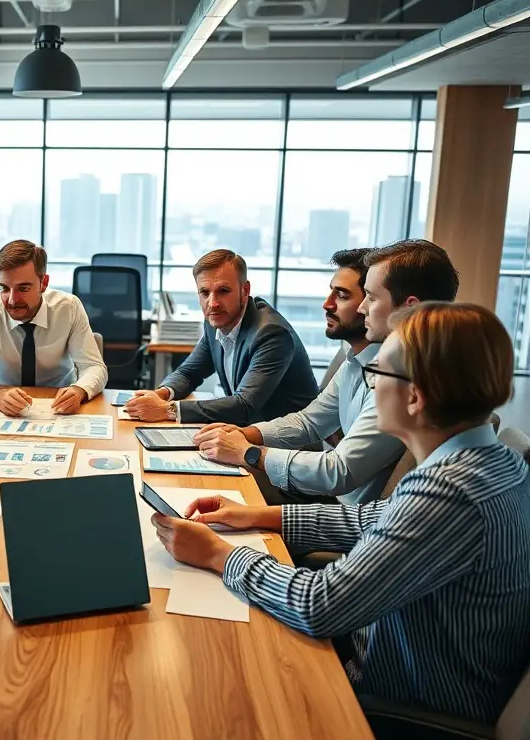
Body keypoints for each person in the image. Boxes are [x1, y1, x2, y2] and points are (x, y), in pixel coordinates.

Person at [151, 301, 530, 726]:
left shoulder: (448, 490)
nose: (368, 385)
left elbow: (317, 605)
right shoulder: (490, 460)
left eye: (377, 373)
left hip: (401, 705)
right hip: (410, 663)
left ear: (415, 395)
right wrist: (258, 515)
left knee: (206, 686)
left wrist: (219, 555)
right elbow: (372, 520)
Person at [195, 240, 459, 505]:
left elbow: (340, 472)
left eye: (367, 296)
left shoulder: (403, 380)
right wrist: (246, 435)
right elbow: (310, 421)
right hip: (333, 502)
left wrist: (251, 453)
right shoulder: (361, 361)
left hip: (344, 517)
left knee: (208, 498)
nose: (362, 307)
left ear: (409, 308)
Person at [125, 249, 317, 425]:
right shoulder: (215, 320)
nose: (213, 303)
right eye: (205, 292)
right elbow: (189, 373)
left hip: (285, 447)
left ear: (245, 290)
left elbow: (244, 406)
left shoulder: (272, 334)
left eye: (223, 291)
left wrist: (168, 410)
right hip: (245, 433)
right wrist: (161, 395)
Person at [0, 240, 108, 416]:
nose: (12, 300)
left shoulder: (69, 307)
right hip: (2, 408)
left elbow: (94, 366)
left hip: (59, 405)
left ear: (43, 283)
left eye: (23, 288)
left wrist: (79, 390)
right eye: (4, 288)